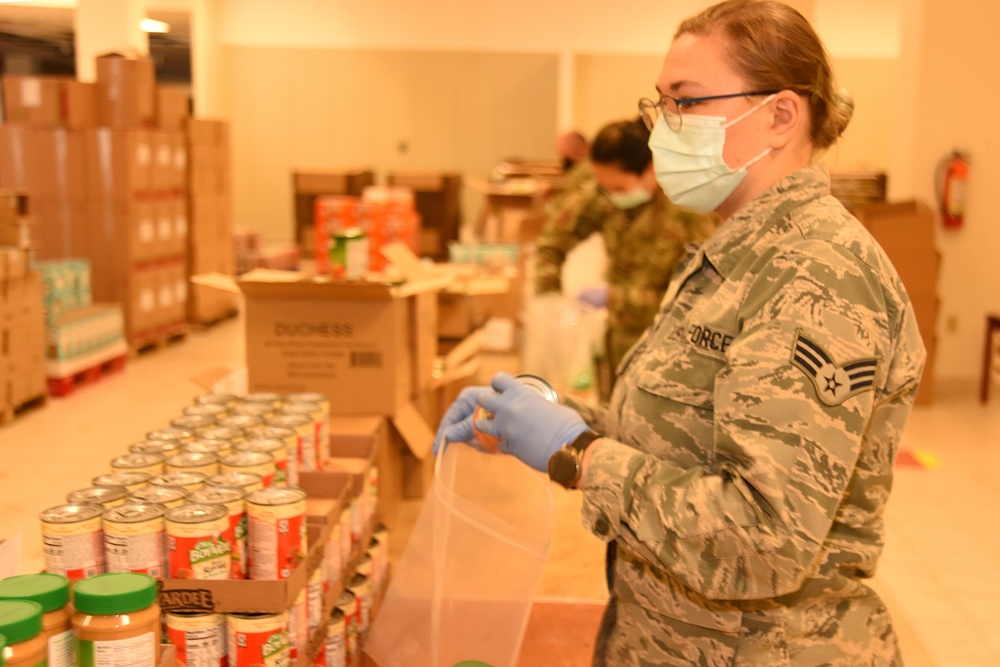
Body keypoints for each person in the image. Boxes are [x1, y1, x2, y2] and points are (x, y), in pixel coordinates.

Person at [434, 1, 927, 664]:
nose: (662, 128)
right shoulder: (738, 251)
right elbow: (684, 436)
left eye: (687, 103)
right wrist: (545, 413)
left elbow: (764, 539)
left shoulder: (818, 276)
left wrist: (580, 454)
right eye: (659, 103)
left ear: (780, 116)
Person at [535, 118, 716, 399]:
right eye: (605, 188)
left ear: (651, 168)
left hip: (671, 358)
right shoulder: (604, 195)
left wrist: (615, 298)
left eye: (619, 189)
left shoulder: (691, 212)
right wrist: (549, 297)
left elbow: (702, 305)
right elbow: (552, 242)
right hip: (616, 350)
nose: (611, 196)